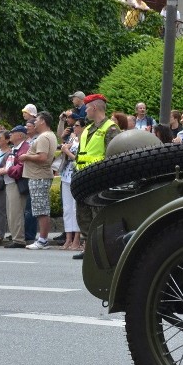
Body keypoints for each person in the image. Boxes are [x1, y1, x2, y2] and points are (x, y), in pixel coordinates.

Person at [74, 94, 120, 259]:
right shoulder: (87, 129)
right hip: (83, 177)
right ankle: (89, 247)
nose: (85, 110)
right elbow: (81, 153)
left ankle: (101, 251)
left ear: (94, 107)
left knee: (99, 215)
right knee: (83, 215)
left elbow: (114, 154)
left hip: (99, 178)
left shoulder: (111, 128)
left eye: (87, 107)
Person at [20, 112, 57, 250]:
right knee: (41, 208)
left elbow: (42, 157)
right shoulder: (50, 135)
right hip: (40, 175)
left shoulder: (43, 137)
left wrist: (25, 157)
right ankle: (42, 239)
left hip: (39, 176)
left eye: (36, 120)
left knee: (41, 210)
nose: (34, 123)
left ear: (42, 121)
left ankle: (42, 240)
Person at [0, 126, 30, 248]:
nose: (10, 134)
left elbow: (21, 167)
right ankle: (16, 237)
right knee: (11, 212)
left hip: (16, 182)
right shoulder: (16, 148)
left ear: (20, 135)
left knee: (16, 212)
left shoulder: (25, 147)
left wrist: (7, 170)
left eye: (13, 132)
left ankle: (19, 239)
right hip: (10, 182)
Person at [58, 120, 82, 250]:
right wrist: (65, 149)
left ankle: (77, 239)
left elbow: (78, 158)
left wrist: (67, 152)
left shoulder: (84, 141)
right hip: (66, 176)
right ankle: (68, 238)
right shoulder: (72, 141)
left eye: (77, 126)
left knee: (75, 209)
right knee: (67, 209)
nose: (74, 128)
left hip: (76, 176)